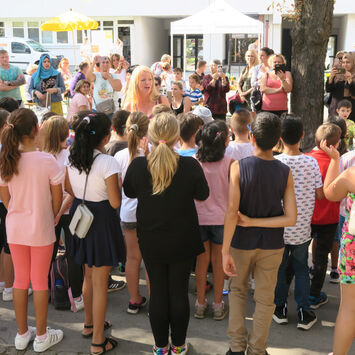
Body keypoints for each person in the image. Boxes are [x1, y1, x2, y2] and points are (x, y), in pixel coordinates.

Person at [123, 112, 209, 355]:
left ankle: (161, 347)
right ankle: (179, 347)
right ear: (175, 137)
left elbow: (128, 191)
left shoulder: (140, 165)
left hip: (151, 238)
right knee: (178, 291)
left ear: (150, 137)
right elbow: (203, 194)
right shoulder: (189, 165)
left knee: (158, 291)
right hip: (183, 239)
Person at [222, 112, 297, 355]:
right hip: (272, 244)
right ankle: (257, 349)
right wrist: (258, 221)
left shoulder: (238, 168)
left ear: (252, 137)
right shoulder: (284, 172)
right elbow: (291, 218)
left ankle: (236, 347)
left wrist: (224, 251)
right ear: (278, 141)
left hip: (241, 243)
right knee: (265, 299)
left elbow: (232, 212)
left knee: (238, 291)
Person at [0, 108, 64, 352]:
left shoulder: (7, 158)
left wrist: (19, 210)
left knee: (20, 280)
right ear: (36, 129)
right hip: (41, 227)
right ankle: (42, 336)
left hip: (15, 227)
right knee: (39, 281)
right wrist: (52, 215)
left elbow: (5, 199)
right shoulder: (46, 160)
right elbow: (57, 199)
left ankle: (21, 334)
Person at [66, 112, 125, 354]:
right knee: (100, 283)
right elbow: (114, 202)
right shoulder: (107, 162)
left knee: (88, 276)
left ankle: (90, 324)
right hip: (101, 222)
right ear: (105, 136)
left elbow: (69, 188)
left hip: (80, 219)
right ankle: (98, 342)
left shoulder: (72, 158)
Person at [272, 114, 322, 331]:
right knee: (301, 268)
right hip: (302, 229)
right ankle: (304, 311)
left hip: (279, 228)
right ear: (302, 135)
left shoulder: (275, 162)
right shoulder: (311, 162)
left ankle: (280, 308)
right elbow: (320, 194)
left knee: (280, 269)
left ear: (279, 137)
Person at [41, 115, 84, 312]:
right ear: (65, 134)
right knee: (73, 254)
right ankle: (76, 294)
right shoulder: (69, 156)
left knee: (47, 254)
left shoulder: (42, 157)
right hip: (68, 210)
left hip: (48, 211)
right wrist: (60, 210)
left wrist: (54, 211)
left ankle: (48, 292)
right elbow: (73, 190)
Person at [194, 120, 232, 321]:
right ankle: (218, 304)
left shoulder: (195, 160)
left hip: (199, 218)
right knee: (219, 262)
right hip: (221, 219)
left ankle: (200, 303)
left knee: (201, 261)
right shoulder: (230, 162)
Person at [321, 140, 355, 355]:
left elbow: (329, 193)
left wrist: (334, 160)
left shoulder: (352, 174)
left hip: (354, 248)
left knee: (349, 308)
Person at [114, 112, 149, 315]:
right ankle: (156, 301)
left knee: (132, 258)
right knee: (151, 259)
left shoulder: (119, 156)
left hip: (128, 213)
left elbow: (119, 186)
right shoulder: (152, 152)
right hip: (150, 213)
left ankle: (134, 300)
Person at [306, 123, 341, 309]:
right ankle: (314, 295)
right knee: (321, 257)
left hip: (307, 217)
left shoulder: (308, 159)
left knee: (299, 253)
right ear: (333, 145)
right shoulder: (337, 163)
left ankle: (294, 289)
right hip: (329, 218)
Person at [0, 108, 14, 303]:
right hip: (6, 201)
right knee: (8, 244)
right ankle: (9, 286)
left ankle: (3, 282)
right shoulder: (6, 149)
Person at [326, 52, 355, 121]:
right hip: (335, 109)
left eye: (348, 62)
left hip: (350, 112)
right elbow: (328, 89)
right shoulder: (338, 75)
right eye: (343, 62)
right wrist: (331, 77)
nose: (345, 65)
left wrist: (350, 80)